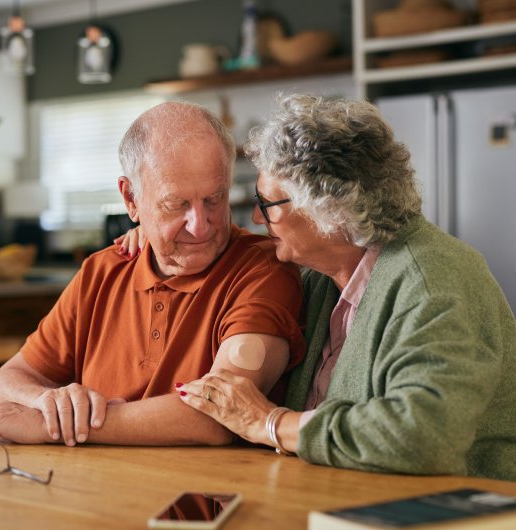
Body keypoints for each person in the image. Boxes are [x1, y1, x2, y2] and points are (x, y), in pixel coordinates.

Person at [119, 94, 516, 481]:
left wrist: (273, 423)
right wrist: (151, 233)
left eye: (267, 203)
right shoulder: (320, 278)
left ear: (328, 209)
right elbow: (226, 256)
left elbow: (423, 438)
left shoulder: (435, 280)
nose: (257, 217)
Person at [0, 101, 306, 447]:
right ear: (130, 199)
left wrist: (57, 426)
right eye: (176, 204)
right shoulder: (102, 270)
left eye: (214, 199)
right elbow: (12, 377)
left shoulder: (264, 269)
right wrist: (46, 404)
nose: (200, 226)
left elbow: (223, 414)